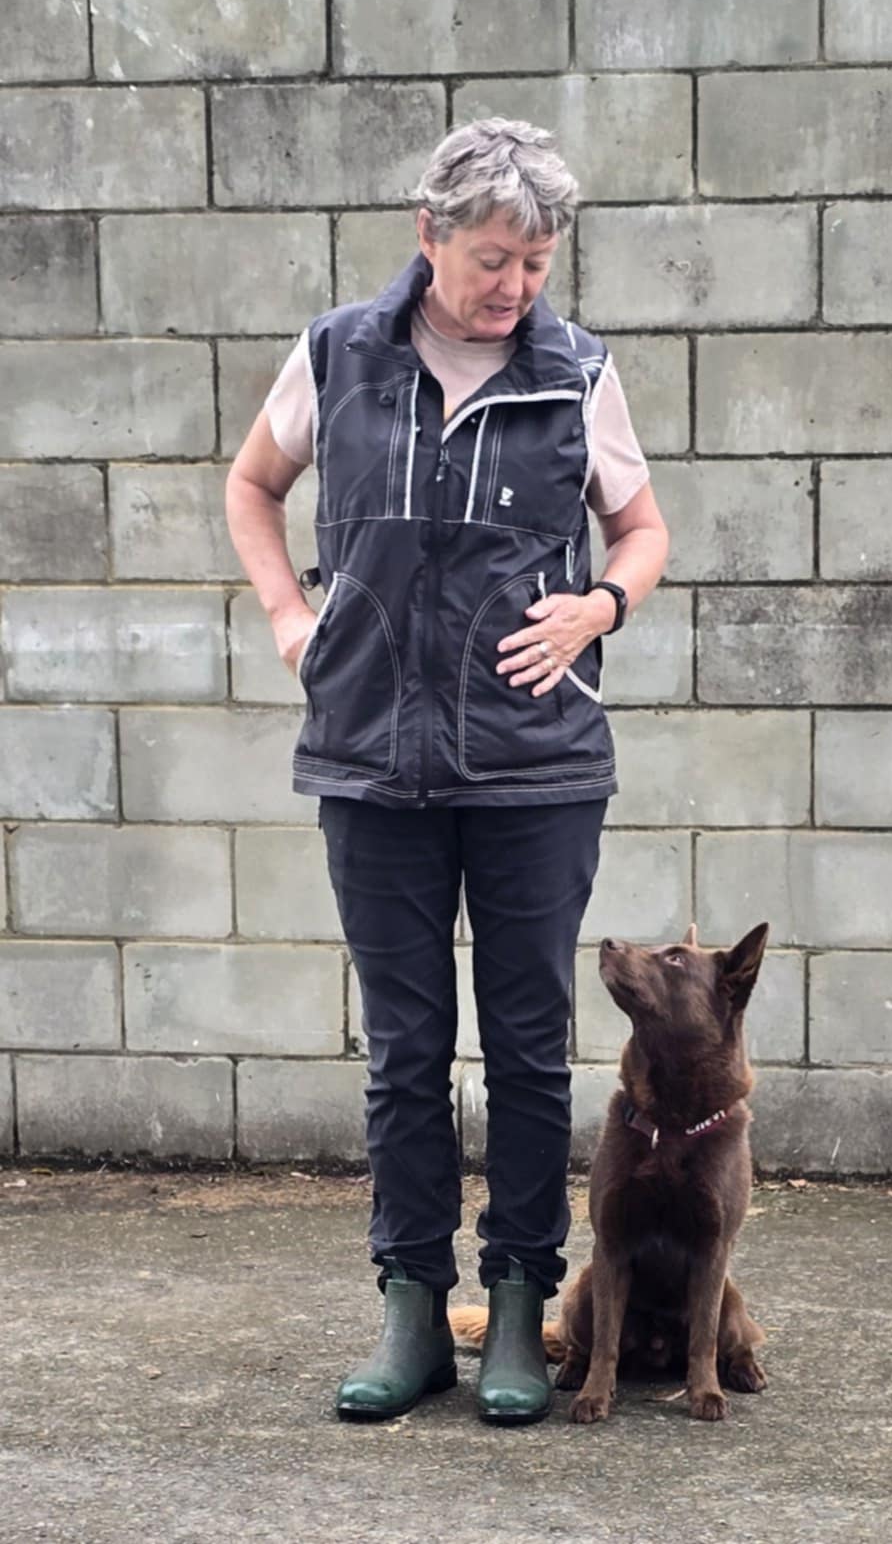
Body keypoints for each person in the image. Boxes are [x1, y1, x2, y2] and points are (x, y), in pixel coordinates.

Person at [224, 118, 669, 1425]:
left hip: (537, 764)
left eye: (536, 263)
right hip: (371, 756)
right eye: (492, 259)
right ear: (429, 236)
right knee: (406, 1049)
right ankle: (413, 1307)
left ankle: (521, 1302)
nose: (515, 286)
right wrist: (291, 622)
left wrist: (599, 607)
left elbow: (642, 528)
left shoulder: (577, 372)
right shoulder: (337, 356)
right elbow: (252, 487)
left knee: (527, 1046)